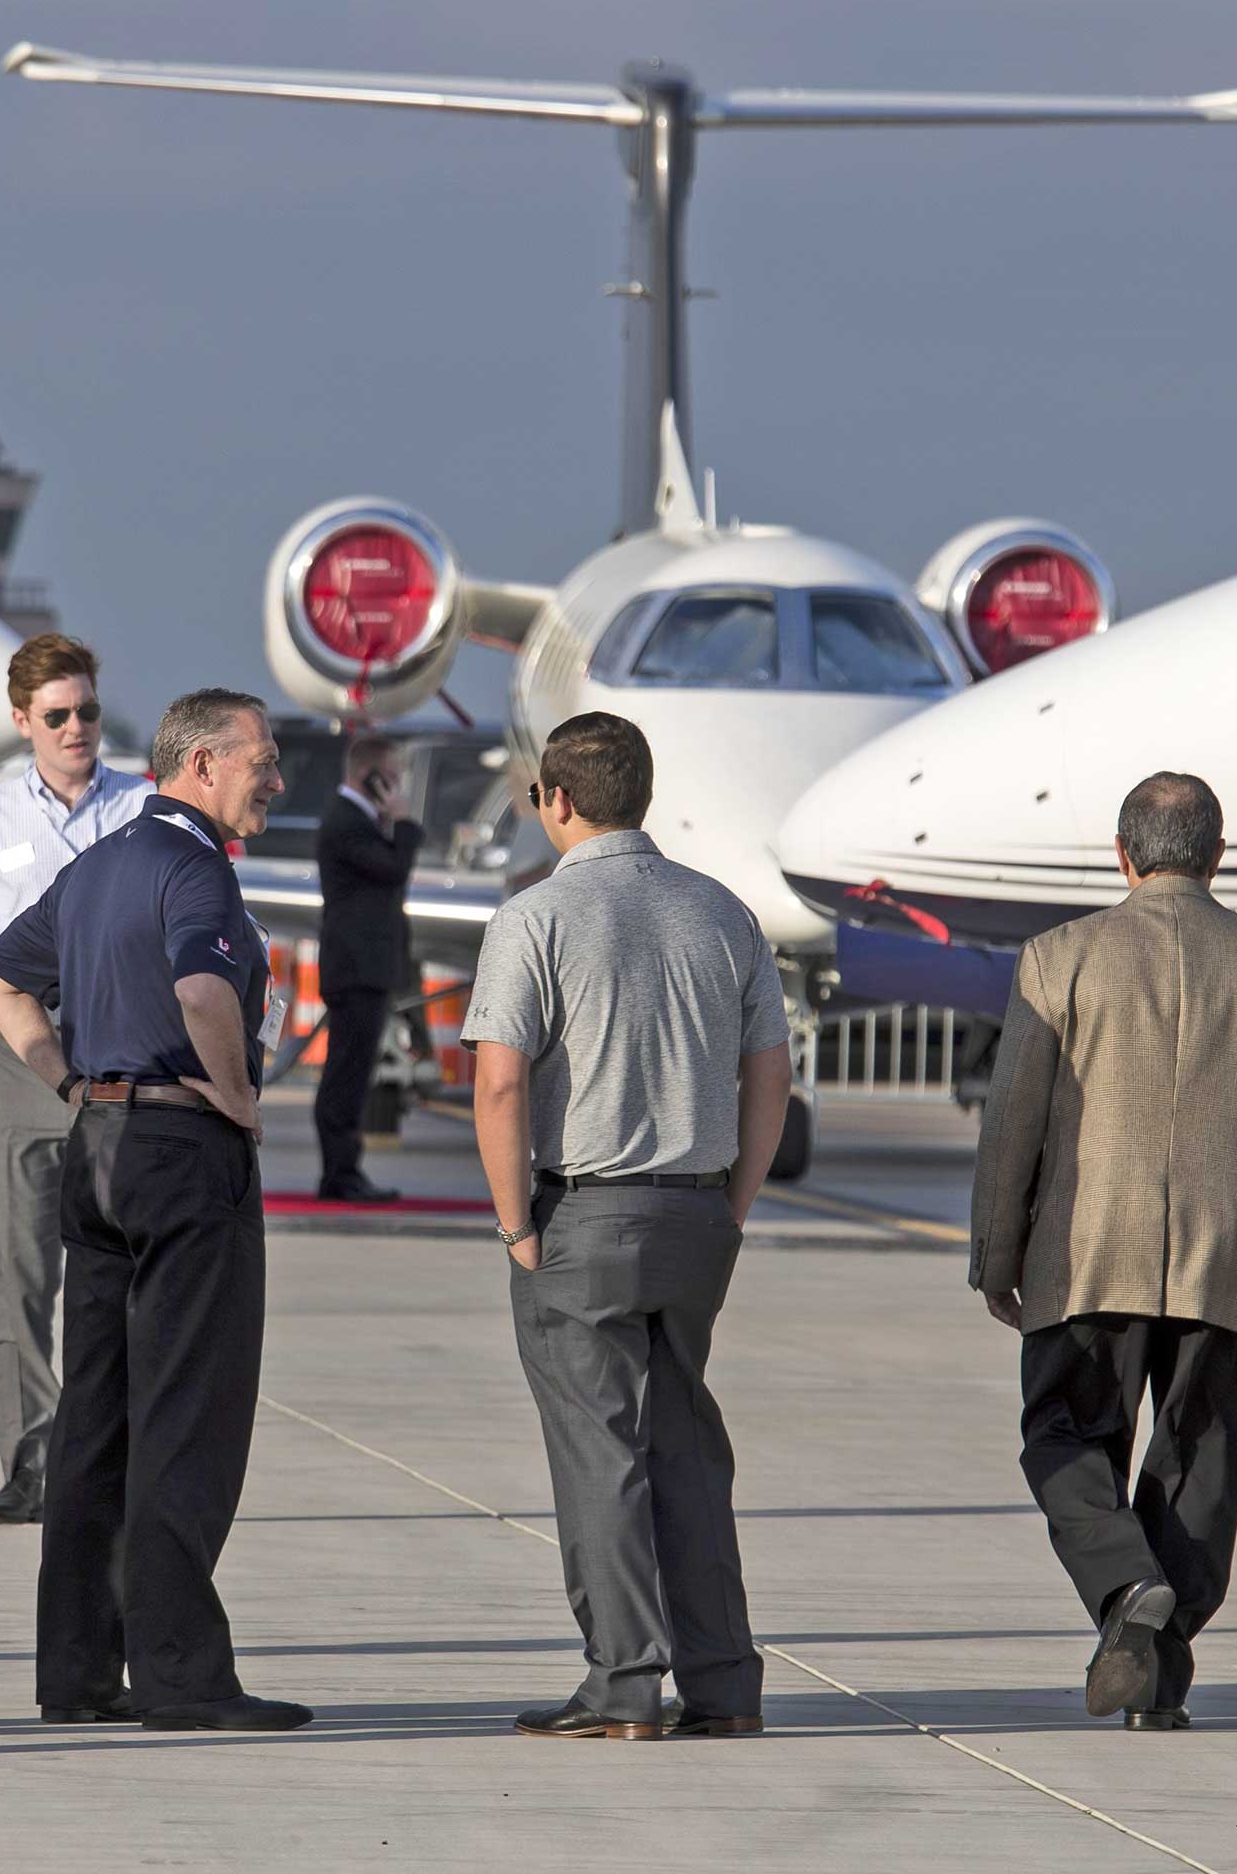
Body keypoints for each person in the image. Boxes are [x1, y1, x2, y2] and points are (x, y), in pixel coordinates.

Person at [0, 687, 309, 1733]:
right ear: (202, 764)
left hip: (100, 1145)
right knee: (187, 1411)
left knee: (96, 1413)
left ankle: (76, 1668)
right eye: (262, 759)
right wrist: (240, 1098)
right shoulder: (192, 866)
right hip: (179, 1150)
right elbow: (206, 996)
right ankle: (179, 1670)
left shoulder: (97, 864)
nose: (276, 778)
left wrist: (69, 1081)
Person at [972, 770, 1237, 1731]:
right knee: (1198, 1466)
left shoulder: (1059, 958)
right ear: (1217, 860)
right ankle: (1156, 1684)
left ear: (1123, 857)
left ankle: (1127, 1588)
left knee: (1062, 1436)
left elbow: (1012, 1122)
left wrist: (996, 1252)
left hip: (1086, 1256)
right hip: (1224, 1264)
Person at [461, 713, 790, 1740]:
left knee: (600, 1450)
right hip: (696, 1210)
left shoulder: (537, 917)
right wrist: (730, 1201)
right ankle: (725, 1681)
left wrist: (517, 1226)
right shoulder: (723, 912)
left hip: (584, 1212)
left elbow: (501, 1081)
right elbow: (770, 1073)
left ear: (555, 800)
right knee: (686, 1445)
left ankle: (624, 1680)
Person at [0, 633, 150, 1524]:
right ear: (23, 723)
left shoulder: (144, 807)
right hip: (18, 1056)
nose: (77, 728)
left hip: (121, 1051)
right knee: (19, 1267)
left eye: (87, 711)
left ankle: (116, 1457)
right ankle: (31, 1458)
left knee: (125, 1263)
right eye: (58, 716)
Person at [314, 732, 423, 1204]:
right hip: (356, 967)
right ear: (370, 776)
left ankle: (345, 1169)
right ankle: (340, 1173)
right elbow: (393, 869)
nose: (397, 790)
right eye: (392, 779)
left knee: (354, 1073)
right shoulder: (346, 822)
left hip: (366, 966)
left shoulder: (358, 820)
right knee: (347, 1073)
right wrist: (401, 822)